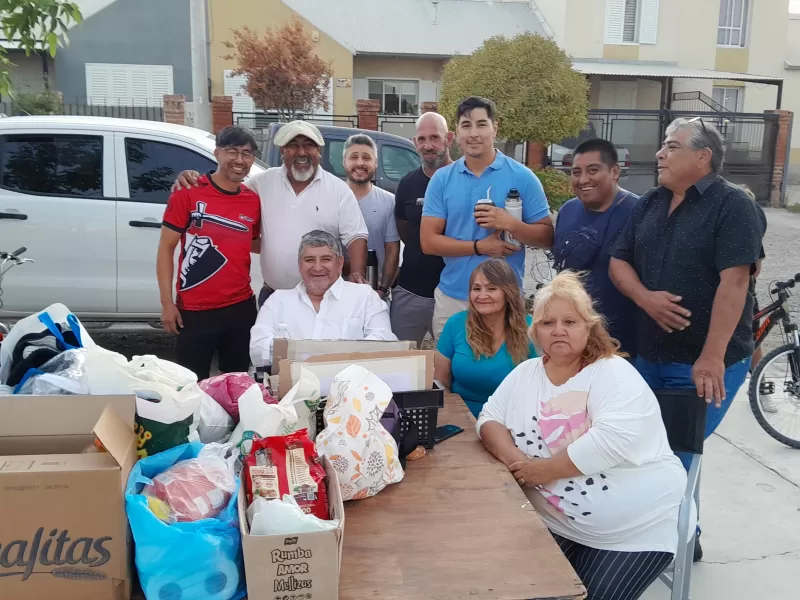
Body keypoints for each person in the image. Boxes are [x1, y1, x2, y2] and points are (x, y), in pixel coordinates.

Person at [478, 272, 687, 600]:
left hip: (630, 532)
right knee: (505, 587)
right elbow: (490, 418)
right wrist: (517, 461)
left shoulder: (613, 373)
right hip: (554, 522)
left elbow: (609, 442)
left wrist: (539, 472)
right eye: (547, 323)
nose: (558, 330)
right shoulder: (525, 374)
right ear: (535, 331)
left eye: (570, 322)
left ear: (589, 327)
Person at [609, 117, 764, 452]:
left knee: (676, 459)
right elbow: (618, 260)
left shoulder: (733, 205)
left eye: (672, 146)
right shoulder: (651, 201)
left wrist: (712, 356)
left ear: (702, 156)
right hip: (649, 358)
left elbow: (735, 283)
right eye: (663, 145)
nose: (659, 153)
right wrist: (645, 298)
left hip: (700, 364)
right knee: (643, 456)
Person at [173, 121, 369, 304]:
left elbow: (356, 236)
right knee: (270, 343)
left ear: (319, 151)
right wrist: (194, 181)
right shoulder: (261, 183)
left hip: (323, 298)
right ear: (282, 151)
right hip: (274, 297)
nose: (301, 151)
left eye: (309, 145)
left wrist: (356, 274)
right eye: (293, 145)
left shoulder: (338, 190)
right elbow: (225, 196)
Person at [421, 97, 553, 342]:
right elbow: (429, 242)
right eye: (466, 125)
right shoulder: (442, 179)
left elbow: (547, 237)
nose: (474, 134)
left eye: (482, 124)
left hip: (505, 300)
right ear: (457, 132)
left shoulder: (522, 177)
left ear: (495, 127)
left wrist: (511, 223)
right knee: (448, 376)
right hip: (454, 299)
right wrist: (479, 247)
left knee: (503, 375)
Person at [157, 126, 261, 380]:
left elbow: (253, 243)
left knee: (235, 381)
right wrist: (167, 303)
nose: (239, 160)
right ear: (216, 154)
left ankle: (230, 422)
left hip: (240, 307)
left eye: (246, 154)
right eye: (232, 152)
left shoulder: (251, 200)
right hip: (195, 310)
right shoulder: (188, 192)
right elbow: (166, 248)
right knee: (192, 382)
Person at [249, 230, 397, 368]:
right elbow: (257, 351)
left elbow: (385, 345)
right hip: (292, 391)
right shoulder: (278, 301)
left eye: (326, 259)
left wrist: (296, 351)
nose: (318, 268)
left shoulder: (365, 297)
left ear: (339, 264)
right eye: (310, 260)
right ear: (299, 265)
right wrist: (340, 351)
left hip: (352, 389)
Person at [553, 138, 639, 356]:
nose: (583, 180)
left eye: (593, 170)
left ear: (615, 172)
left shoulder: (640, 213)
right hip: (572, 341)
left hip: (623, 344)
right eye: (575, 172)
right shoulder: (567, 211)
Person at [434, 259, 537, 418]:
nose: (482, 295)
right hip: (462, 417)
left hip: (511, 418)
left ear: (508, 292)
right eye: (476, 288)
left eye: (491, 288)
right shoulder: (455, 324)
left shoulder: (530, 329)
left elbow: (538, 388)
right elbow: (441, 383)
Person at [391, 112, 451, 346]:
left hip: (454, 293)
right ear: (415, 142)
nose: (428, 145)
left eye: (435, 137)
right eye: (422, 139)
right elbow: (404, 230)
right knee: (397, 360)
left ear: (449, 139)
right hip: (411, 291)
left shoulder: (464, 180)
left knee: (454, 366)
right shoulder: (407, 184)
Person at [343, 133, 400, 300]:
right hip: (335, 294)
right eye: (354, 157)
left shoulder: (389, 202)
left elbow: (392, 251)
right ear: (344, 161)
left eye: (366, 158)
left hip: (374, 294)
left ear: (375, 163)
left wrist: (382, 290)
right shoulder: (332, 197)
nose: (360, 163)